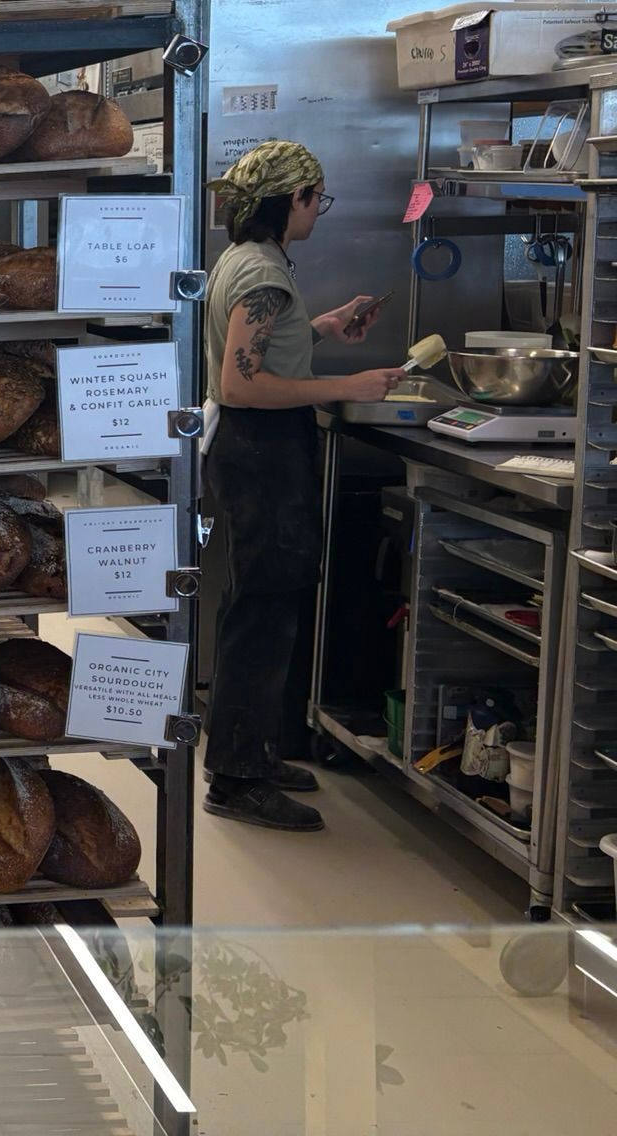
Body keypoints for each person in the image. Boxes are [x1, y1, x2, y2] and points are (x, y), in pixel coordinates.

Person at [201, 140, 404, 832]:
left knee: (262, 605)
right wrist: (349, 384)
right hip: (262, 454)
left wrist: (319, 328)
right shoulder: (263, 275)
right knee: (260, 614)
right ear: (294, 200)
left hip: (254, 451)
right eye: (318, 198)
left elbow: (263, 354)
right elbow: (241, 382)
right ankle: (236, 776)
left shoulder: (248, 262)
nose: (319, 210)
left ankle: (253, 750)